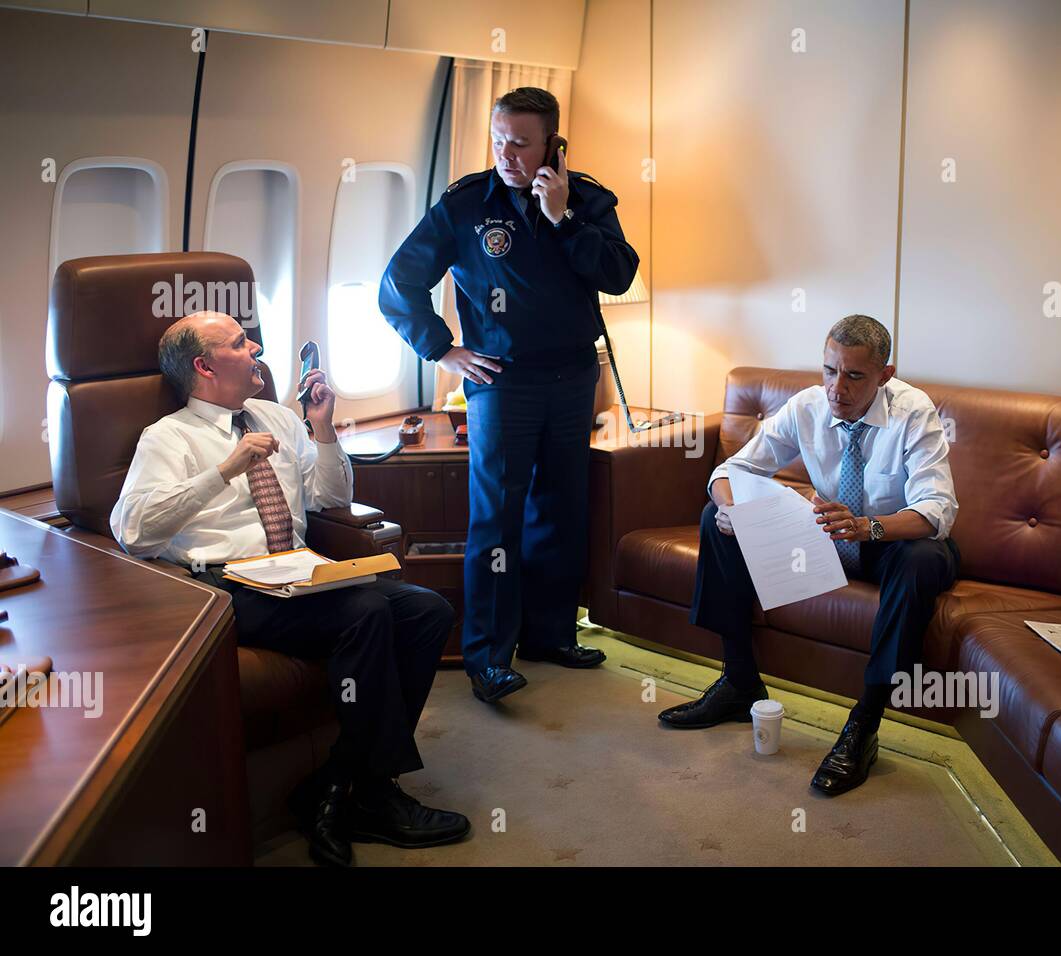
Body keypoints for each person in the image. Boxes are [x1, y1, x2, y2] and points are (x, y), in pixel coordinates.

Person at [110, 311, 469, 866]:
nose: (256, 347)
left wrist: (322, 427)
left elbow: (329, 498)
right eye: (239, 343)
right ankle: (373, 796)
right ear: (204, 366)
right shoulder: (168, 436)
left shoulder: (278, 415)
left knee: (426, 611)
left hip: (299, 572)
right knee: (366, 610)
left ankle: (333, 783)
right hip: (228, 586)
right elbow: (133, 530)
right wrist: (225, 469)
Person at [379, 86, 640, 704]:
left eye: (521, 143)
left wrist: (563, 217)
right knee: (495, 520)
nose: (508, 154)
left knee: (559, 509)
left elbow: (619, 274)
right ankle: (489, 658)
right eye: (499, 140)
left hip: (574, 377)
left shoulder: (588, 200)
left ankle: (550, 635)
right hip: (501, 382)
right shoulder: (468, 203)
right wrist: (442, 349)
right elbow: (399, 282)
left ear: (553, 143)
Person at [658, 314, 960, 797]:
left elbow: (937, 509)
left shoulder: (914, 412)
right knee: (716, 523)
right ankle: (738, 682)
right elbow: (730, 470)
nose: (837, 388)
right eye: (829, 371)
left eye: (854, 376)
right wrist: (733, 510)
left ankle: (865, 722)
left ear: (884, 375)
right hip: (828, 534)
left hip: (890, 540)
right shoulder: (807, 406)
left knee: (922, 558)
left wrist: (868, 527)